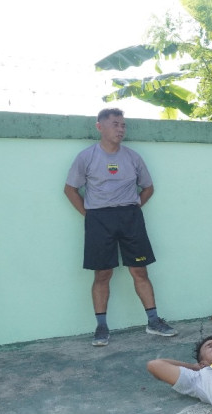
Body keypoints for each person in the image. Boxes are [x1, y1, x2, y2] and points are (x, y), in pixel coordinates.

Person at [64, 108, 177, 347]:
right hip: (98, 219)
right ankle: (101, 327)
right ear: (100, 127)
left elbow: (148, 188)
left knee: (140, 270)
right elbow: (70, 189)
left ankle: (153, 321)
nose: (120, 129)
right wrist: (89, 215)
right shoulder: (86, 157)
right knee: (102, 273)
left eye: (123, 125)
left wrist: (134, 208)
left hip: (130, 217)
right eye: (115, 124)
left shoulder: (133, 157)